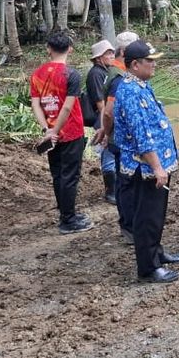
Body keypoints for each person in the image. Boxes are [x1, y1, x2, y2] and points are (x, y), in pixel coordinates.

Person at [113, 40, 179, 284]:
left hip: (156, 164)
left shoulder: (140, 85)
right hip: (145, 168)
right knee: (147, 217)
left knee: (156, 214)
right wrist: (156, 167)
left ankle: (157, 252)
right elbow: (141, 134)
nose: (154, 65)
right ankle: (148, 267)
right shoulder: (131, 91)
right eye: (149, 61)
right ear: (134, 65)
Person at [29, 32, 93, 234]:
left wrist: (48, 130)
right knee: (69, 176)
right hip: (70, 131)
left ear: (48, 48)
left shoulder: (37, 74)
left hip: (51, 135)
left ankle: (66, 212)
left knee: (58, 173)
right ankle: (68, 219)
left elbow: (36, 105)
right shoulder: (70, 75)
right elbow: (67, 108)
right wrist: (56, 130)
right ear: (70, 49)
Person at [93, 31, 140, 242]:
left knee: (127, 183)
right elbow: (110, 111)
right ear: (124, 53)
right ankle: (129, 227)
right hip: (122, 141)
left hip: (120, 139)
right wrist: (106, 131)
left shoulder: (117, 74)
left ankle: (130, 225)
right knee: (127, 184)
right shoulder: (118, 78)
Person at [85, 39, 117, 203]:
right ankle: (110, 191)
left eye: (112, 52)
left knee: (111, 150)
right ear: (98, 58)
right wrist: (105, 124)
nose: (112, 56)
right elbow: (100, 102)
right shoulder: (96, 74)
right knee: (107, 151)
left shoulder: (107, 71)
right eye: (108, 53)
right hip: (101, 116)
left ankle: (115, 188)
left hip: (106, 115)